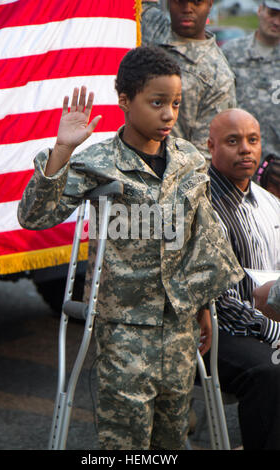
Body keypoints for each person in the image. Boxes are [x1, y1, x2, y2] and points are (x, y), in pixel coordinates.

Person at [18, 46, 243, 450]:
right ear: (124, 100)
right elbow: (35, 216)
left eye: (175, 103)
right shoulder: (101, 161)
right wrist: (63, 150)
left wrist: (206, 306)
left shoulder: (189, 160)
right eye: (156, 103)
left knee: (173, 437)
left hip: (179, 327)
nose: (169, 115)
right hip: (123, 330)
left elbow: (203, 237)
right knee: (125, 443)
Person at [206, 107, 280, 450]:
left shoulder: (270, 203)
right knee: (270, 372)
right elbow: (217, 299)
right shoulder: (200, 205)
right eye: (233, 141)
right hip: (217, 329)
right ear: (211, 147)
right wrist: (274, 331)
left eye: (253, 140)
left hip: (269, 323)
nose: (246, 149)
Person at [141, 0, 236, 163]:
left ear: (209, 4)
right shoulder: (152, 26)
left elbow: (205, 156)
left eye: (197, 2)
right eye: (179, 2)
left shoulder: (218, 75)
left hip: (168, 174)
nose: (187, 9)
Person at [222, 1, 280, 163]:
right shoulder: (231, 53)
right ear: (260, 10)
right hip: (236, 160)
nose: (277, 22)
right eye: (272, 13)